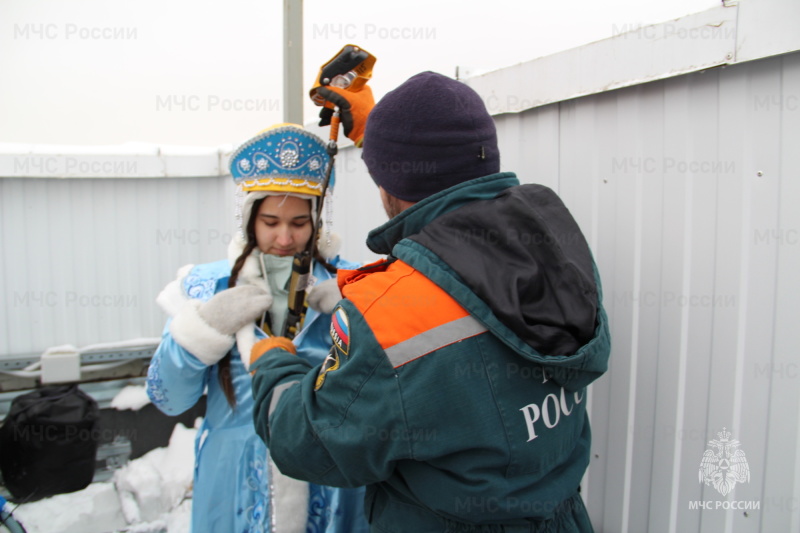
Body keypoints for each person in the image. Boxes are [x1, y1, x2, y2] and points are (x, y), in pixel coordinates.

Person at [247, 73, 611, 532]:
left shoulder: (391, 318)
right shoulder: (552, 248)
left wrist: (274, 366)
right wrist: (384, 140)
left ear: (388, 187)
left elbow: (308, 445)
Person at [145, 123, 369, 533]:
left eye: (299, 223)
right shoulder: (206, 287)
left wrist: (359, 320)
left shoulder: (353, 284)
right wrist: (201, 332)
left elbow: (386, 392)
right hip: (233, 484)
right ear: (250, 219)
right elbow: (168, 398)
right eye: (270, 222)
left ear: (317, 220)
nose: (284, 238)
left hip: (331, 478)